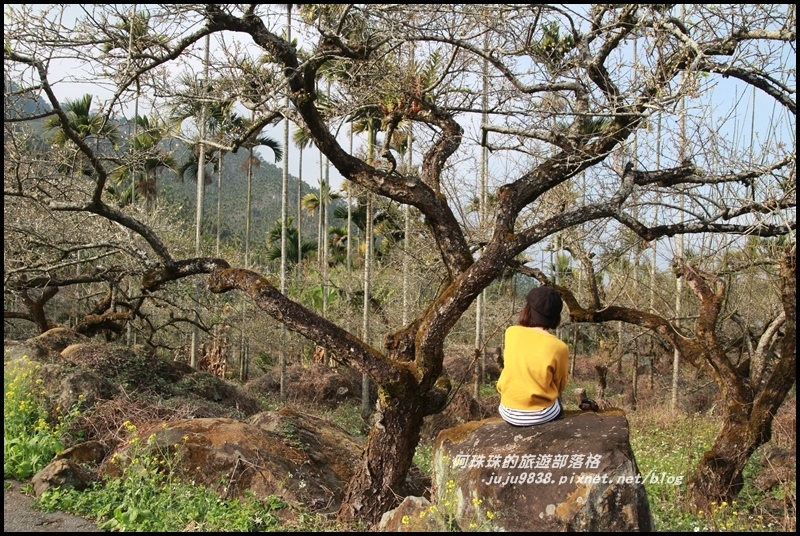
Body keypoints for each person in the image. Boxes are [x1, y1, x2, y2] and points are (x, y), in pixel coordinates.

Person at [496, 285, 569, 426]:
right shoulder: (559, 347)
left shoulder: (511, 333)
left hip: (508, 410)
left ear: (527, 309)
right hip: (541, 415)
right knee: (557, 401)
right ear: (556, 317)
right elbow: (560, 385)